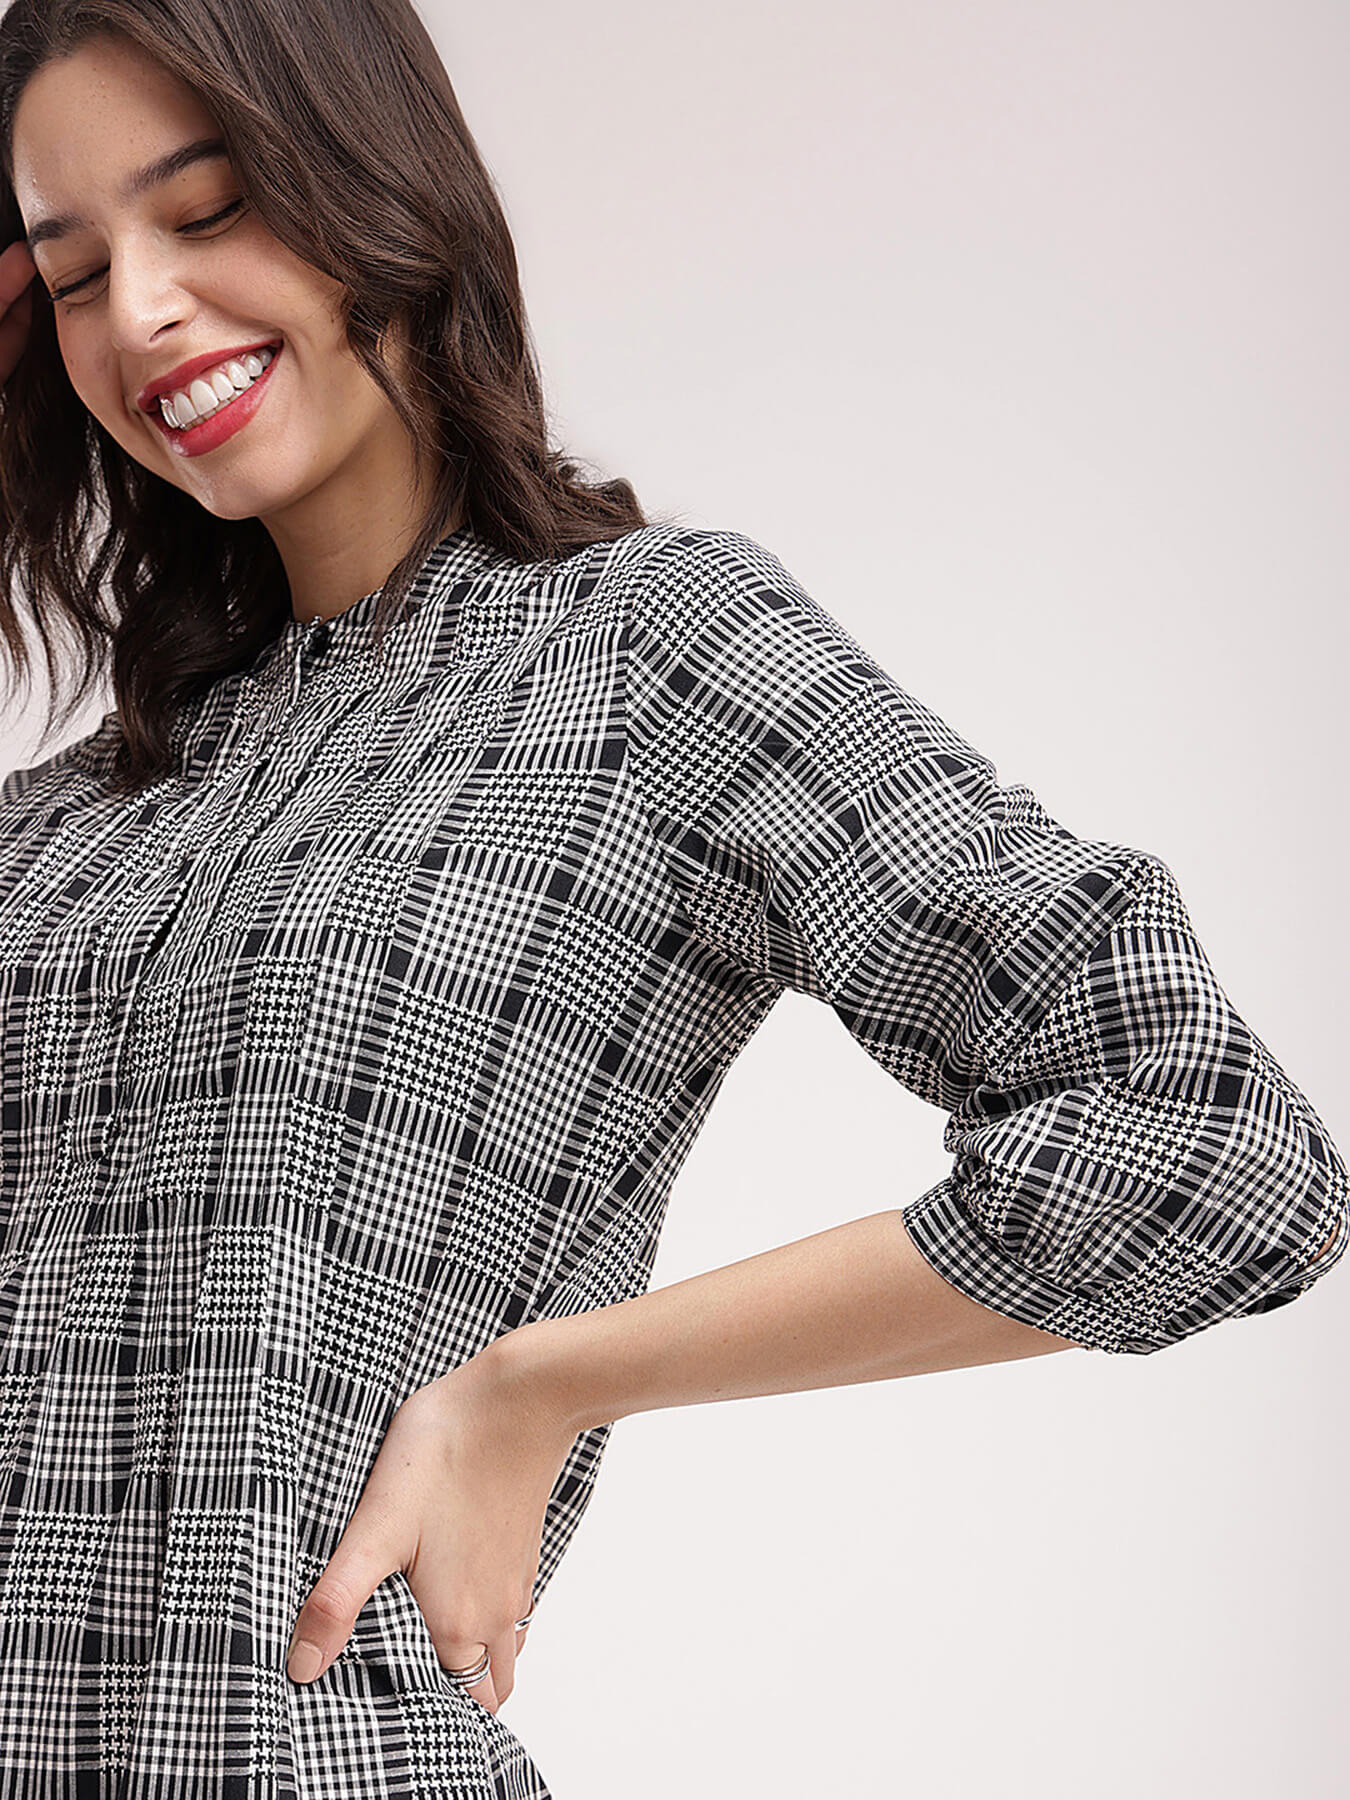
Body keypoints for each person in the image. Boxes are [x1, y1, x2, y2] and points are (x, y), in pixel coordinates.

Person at [0, 4, 1343, 1796]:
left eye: (209, 205)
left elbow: (1217, 1152)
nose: (145, 311)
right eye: (74, 273)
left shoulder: (644, 657)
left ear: (370, 187)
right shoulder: (64, 819)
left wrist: (539, 1386)